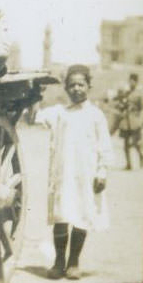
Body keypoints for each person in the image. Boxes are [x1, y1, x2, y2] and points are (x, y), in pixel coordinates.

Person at [35, 65, 114, 280]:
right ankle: (58, 261)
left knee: (82, 215)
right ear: (66, 89)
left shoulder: (96, 115)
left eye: (81, 84)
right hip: (64, 175)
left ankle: (74, 262)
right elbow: (37, 116)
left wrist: (102, 172)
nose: (77, 89)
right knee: (61, 216)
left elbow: (104, 146)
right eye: (72, 85)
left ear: (89, 86)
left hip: (86, 175)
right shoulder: (60, 113)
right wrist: (35, 96)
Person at [111, 73, 143, 170]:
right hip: (125, 121)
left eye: (133, 81)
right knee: (125, 144)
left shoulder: (139, 94)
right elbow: (119, 101)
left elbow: (141, 108)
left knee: (136, 143)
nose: (131, 82)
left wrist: (141, 120)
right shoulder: (126, 92)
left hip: (135, 121)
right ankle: (128, 164)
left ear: (136, 82)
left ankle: (141, 157)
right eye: (130, 80)